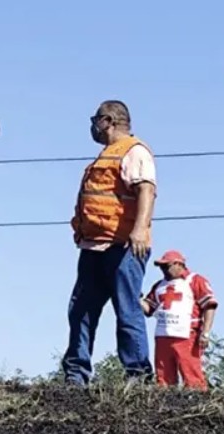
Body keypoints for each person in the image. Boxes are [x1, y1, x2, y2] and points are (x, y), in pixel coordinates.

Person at [62, 100, 156, 386]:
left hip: (123, 247)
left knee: (127, 310)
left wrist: (139, 230)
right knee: (80, 311)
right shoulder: (106, 156)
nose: (93, 126)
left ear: (107, 120)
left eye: (95, 120)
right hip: (94, 247)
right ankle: (76, 375)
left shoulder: (134, 151)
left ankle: (138, 375)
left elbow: (146, 190)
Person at [141, 250, 216, 390]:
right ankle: (165, 405)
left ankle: (198, 402)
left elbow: (209, 305)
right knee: (163, 377)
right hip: (163, 335)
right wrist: (136, 298)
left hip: (187, 334)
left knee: (191, 373)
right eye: (161, 267)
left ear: (178, 264)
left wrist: (205, 332)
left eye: (166, 266)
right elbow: (148, 309)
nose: (163, 270)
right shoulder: (159, 286)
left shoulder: (195, 280)